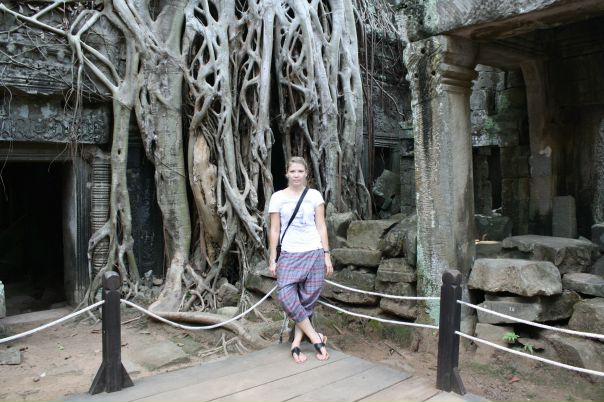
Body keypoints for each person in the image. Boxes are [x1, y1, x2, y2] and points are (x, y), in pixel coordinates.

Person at [268, 156, 333, 363]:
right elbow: (274, 229)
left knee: (306, 300)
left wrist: (327, 255)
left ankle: (296, 343)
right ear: (287, 174)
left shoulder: (314, 196)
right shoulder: (278, 197)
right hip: (289, 253)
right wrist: (273, 258)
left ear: (306, 174)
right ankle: (315, 337)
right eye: (293, 171)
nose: (296, 175)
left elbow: (321, 226)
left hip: (314, 252)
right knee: (286, 296)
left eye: (300, 171)